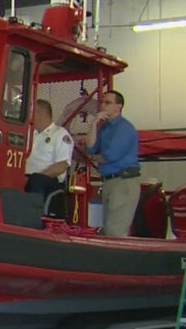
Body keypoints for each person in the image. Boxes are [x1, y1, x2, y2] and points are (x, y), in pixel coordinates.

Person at [85, 90, 140, 237]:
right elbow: (90, 147)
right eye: (102, 102)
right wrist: (94, 124)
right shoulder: (104, 128)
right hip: (110, 181)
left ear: (119, 106)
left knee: (115, 231)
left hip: (123, 181)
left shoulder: (125, 128)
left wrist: (95, 157)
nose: (102, 105)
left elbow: (110, 156)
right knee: (108, 230)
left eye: (107, 103)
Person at [24, 99, 74, 203]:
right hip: (27, 177)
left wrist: (36, 177)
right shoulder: (30, 134)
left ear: (40, 114)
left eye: (30, 112)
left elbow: (62, 165)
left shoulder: (60, 134)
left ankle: (33, 215)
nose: (27, 116)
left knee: (36, 180)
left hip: (48, 181)